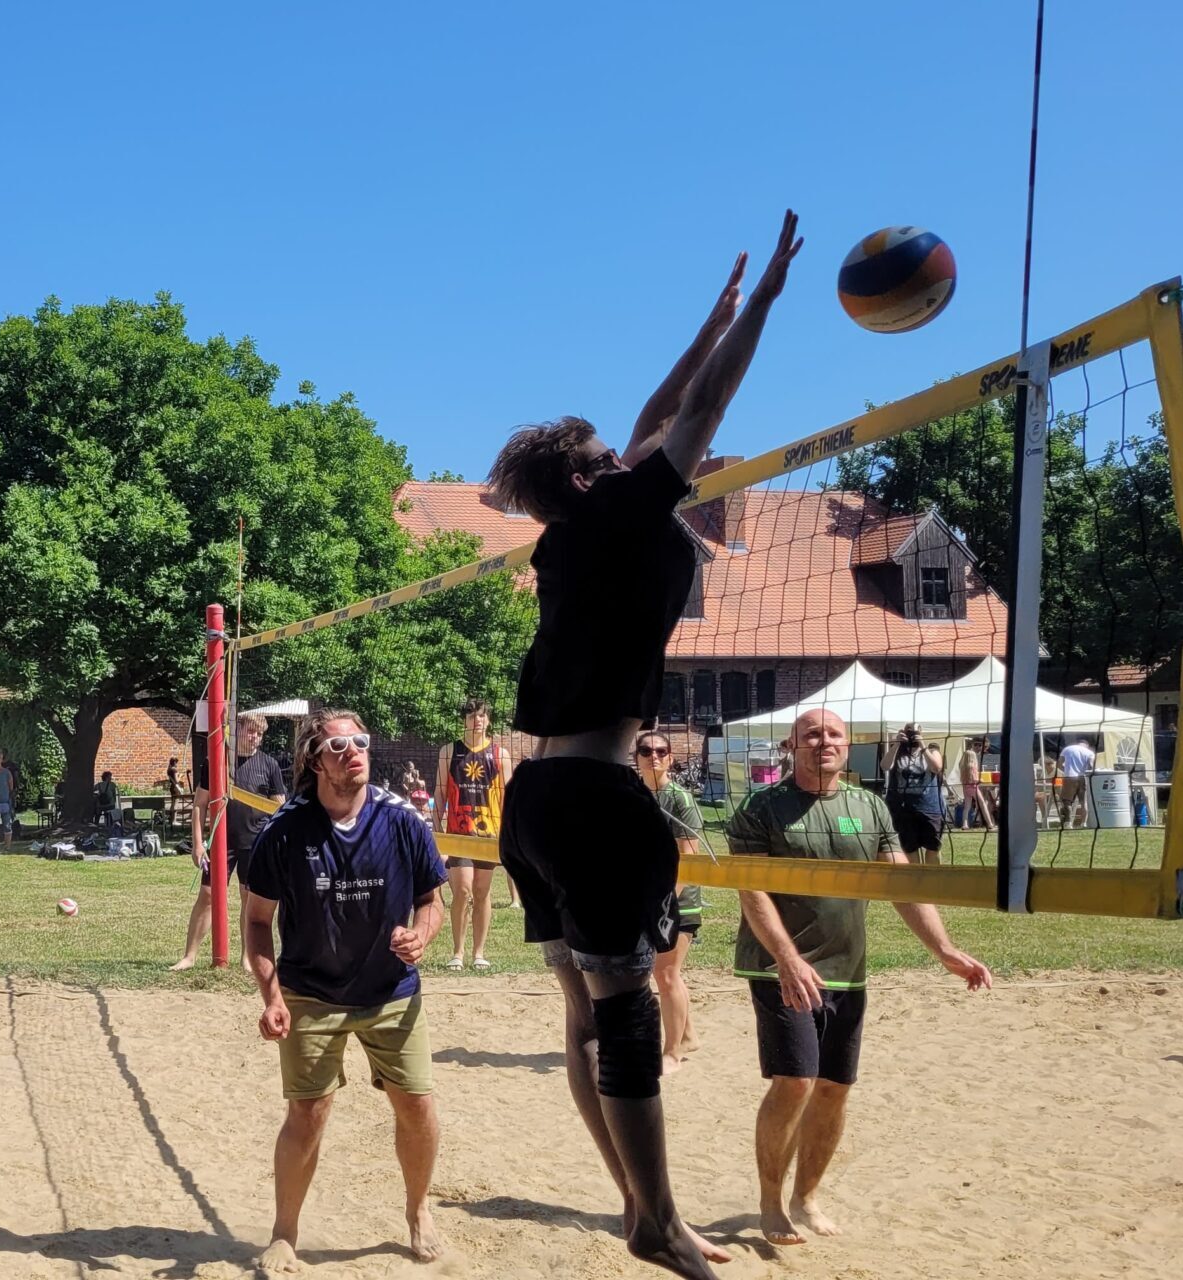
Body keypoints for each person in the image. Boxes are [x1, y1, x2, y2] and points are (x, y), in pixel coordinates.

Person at [487, 212, 801, 1278]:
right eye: (601, 455)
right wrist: (759, 310)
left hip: (532, 800)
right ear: (588, 477)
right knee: (621, 1012)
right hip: (590, 796)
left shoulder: (574, 526)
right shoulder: (617, 509)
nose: (624, 451)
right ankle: (657, 1221)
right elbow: (695, 410)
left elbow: (659, 411)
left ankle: (636, 1201)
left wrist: (707, 317)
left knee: (586, 1004)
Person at [729, 708, 992, 1246]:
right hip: (780, 968)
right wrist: (786, 957)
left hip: (846, 971)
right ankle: (770, 1202)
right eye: (810, 735)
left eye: (832, 734)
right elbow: (751, 890)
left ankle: (806, 1197)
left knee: (833, 1090)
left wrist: (944, 950)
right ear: (791, 746)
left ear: (848, 747)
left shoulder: (868, 805)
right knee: (796, 1081)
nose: (822, 742)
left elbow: (901, 884)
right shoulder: (762, 807)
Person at [241, 709, 448, 1268]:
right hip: (311, 991)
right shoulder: (285, 829)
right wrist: (272, 997)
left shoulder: (402, 819)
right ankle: (284, 1233)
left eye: (361, 742)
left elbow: (433, 901)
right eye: (339, 746)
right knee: (307, 1113)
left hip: (391, 989)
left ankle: (418, 1210)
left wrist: (422, 935)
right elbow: (257, 920)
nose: (354, 752)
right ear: (314, 759)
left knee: (418, 1104)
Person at [178, 712, 288, 971]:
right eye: (251, 732)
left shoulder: (269, 765)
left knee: (249, 899)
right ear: (237, 732)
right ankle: (189, 957)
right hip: (221, 841)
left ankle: (247, 958)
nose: (255, 738)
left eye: (260, 734)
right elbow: (199, 805)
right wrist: (197, 844)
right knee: (207, 896)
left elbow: (279, 808)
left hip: (256, 842)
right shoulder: (217, 761)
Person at [636, 733, 704, 1074]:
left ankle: (673, 1051)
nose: (654, 756)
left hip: (679, 900)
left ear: (671, 757)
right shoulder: (632, 795)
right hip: (645, 899)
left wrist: (663, 902)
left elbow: (688, 858)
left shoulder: (680, 799)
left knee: (665, 973)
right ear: (636, 757)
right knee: (661, 972)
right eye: (646, 751)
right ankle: (688, 1034)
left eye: (661, 751)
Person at [433, 699, 513, 971]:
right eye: (471, 715)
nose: (476, 719)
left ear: (488, 720)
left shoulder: (500, 754)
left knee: (481, 892)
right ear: (464, 720)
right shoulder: (449, 752)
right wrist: (436, 828)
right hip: (458, 833)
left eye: (481, 715)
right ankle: (457, 952)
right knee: (462, 890)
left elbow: (507, 797)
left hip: (488, 833)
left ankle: (479, 953)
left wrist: (509, 833)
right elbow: (440, 793)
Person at [883, 724, 949, 866]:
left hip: (930, 808)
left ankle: (932, 881)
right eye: (909, 731)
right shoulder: (899, 750)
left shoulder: (932, 748)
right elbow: (885, 766)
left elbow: (936, 767)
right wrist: (896, 744)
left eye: (915, 731)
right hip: (904, 809)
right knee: (909, 849)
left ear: (921, 732)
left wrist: (922, 745)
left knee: (933, 848)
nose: (912, 734)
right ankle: (917, 882)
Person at [957, 738, 996, 830]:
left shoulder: (963, 767)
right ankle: (990, 824)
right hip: (974, 787)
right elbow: (975, 779)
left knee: (967, 807)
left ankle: (965, 824)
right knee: (982, 804)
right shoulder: (973, 766)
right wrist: (980, 780)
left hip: (965, 787)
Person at [1058, 734, 1095, 828]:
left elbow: (1059, 763)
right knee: (1083, 802)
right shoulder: (1090, 753)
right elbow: (1091, 766)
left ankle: (1068, 822)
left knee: (1067, 801)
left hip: (1069, 777)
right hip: (1082, 777)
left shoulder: (1067, 749)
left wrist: (1065, 769)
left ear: (1078, 743)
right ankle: (1084, 823)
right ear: (1086, 745)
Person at [95, 769, 123, 837]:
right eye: (110, 777)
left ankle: (96, 824)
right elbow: (114, 795)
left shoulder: (98, 785)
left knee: (97, 813)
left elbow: (95, 794)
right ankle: (109, 824)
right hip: (110, 805)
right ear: (107, 777)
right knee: (111, 811)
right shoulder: (112, 785)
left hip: (100, 806)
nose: (111, 778)